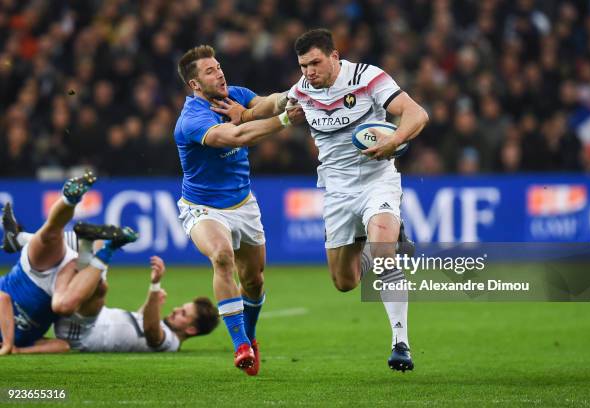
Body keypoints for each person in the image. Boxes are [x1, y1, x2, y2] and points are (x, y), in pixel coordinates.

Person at [287, 29, 429, 371]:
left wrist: (394, 140)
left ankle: (400, 343)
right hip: (336, 191)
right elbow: (269, 105)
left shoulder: (368, 77)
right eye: (304, 65)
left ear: (335, 56)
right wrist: (243, 110)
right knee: (345, 282)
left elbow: (417, 114)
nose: (309, 72)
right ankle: (387, 238)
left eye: (316, 63)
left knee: (382, 252)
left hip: (376, 181)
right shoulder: (302, 91)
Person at [173, 44, 304, 374]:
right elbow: (237, 136)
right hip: (203, 207)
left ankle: (251, 335)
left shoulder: (233, 94)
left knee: (254, 281)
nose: (218, 72)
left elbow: (263, 103)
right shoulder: (191, 120)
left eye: (218, 66)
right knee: (221, 255)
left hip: (243, 204)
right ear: (194, 85)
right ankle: (240, 345)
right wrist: (286, 119)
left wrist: (292, 95)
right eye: (209, 71)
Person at [3, 214, 219, 352]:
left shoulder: (170, 343)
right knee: (86, 250)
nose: (176, 310)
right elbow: (142, 322)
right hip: (89, 319)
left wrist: (154, 288)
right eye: (182, 307)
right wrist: (149, 302)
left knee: (99, 287)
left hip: (83, 334)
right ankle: (23, 240)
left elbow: (151, 331)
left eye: (183, 313)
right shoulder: (163, 327)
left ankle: (106, 249)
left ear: (190, 330)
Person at [0, 172, 137, 355]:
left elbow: (3, 299)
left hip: (31, 271)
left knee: (50, 233)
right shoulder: (21, 341)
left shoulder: (7, 339)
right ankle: (107, 248)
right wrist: (17, 350)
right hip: (58, 287)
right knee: (63, 306)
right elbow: (62, 346)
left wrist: (8, 343)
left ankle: (70, 198)